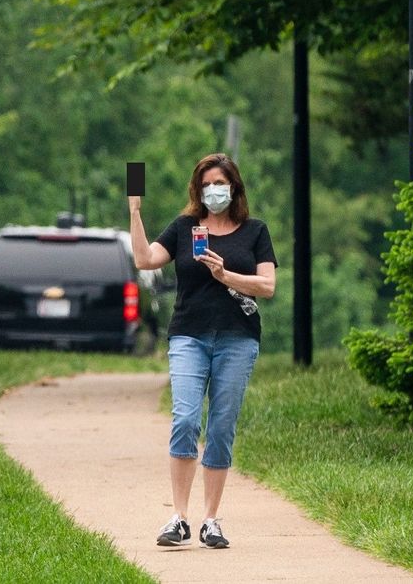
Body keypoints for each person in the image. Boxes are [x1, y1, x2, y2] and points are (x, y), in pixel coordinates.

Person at [128, 153, 277, 549]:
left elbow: (267, 286)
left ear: (234, 187)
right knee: (185, 419)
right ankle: (179, 517)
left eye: (220, 184)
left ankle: (211, 519)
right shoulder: (184, 228)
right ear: (197, 189)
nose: (213, 191)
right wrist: (135, 211)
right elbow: (145, 259)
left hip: (237, 338)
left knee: (222, 426)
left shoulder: (255, 232)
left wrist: (225, 274)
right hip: (189, 335)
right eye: (206, 184)